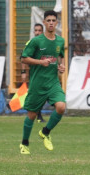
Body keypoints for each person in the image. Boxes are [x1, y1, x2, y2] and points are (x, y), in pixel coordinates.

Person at [19, 10, 66, 154]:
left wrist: (61, 65)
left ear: (57, 23)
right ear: (44, 22)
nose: (51, 23)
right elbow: (23, 58)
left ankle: (45, 132)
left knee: (61, 107)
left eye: (53, 20)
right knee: (32, 115)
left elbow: (61, 56)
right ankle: (24, 143)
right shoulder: (36, 41)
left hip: (52, 82)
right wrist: (40, 62)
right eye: (48, 20)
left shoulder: (60, 41)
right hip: (37, 83)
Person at [21, 23, 45, 123]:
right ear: (33, 32)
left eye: (39, 30)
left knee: (44, 94)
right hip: (34, 72)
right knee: (35, 94)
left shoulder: (46, 43)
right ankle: (38, 115)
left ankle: (36, 113)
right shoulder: (30, 43)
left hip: (45, 72)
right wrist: (23, 71)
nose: (37, 32)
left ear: (42, 31)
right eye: (36, 30)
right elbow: (23, 57)